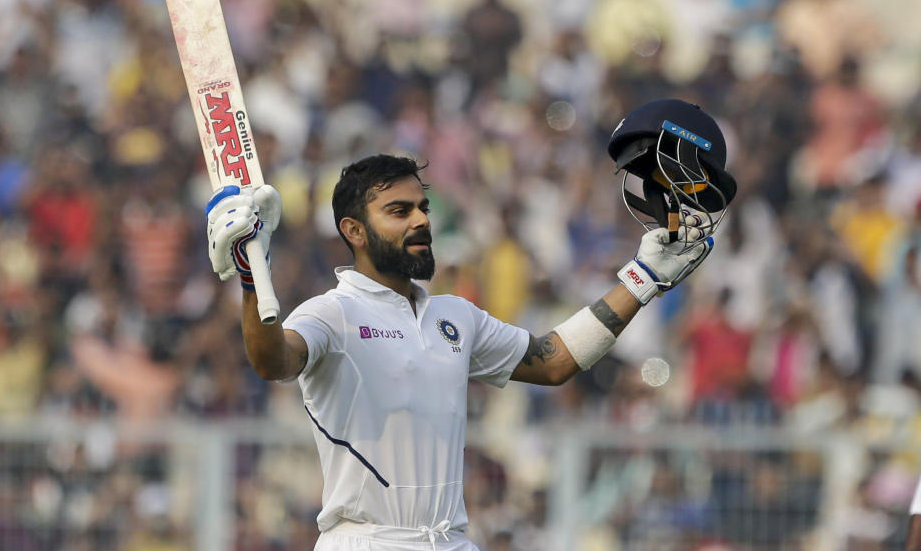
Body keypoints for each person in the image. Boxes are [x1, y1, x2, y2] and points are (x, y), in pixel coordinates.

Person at [204, 100, 734, 550]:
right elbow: (271, 359)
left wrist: (642, 279)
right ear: (354, 231)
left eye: (423, 207)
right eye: (398, 211)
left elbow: (554, 362)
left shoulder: (454, 316)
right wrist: (253, 279)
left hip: (451, 540)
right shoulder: (331, 313)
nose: (420, 221)